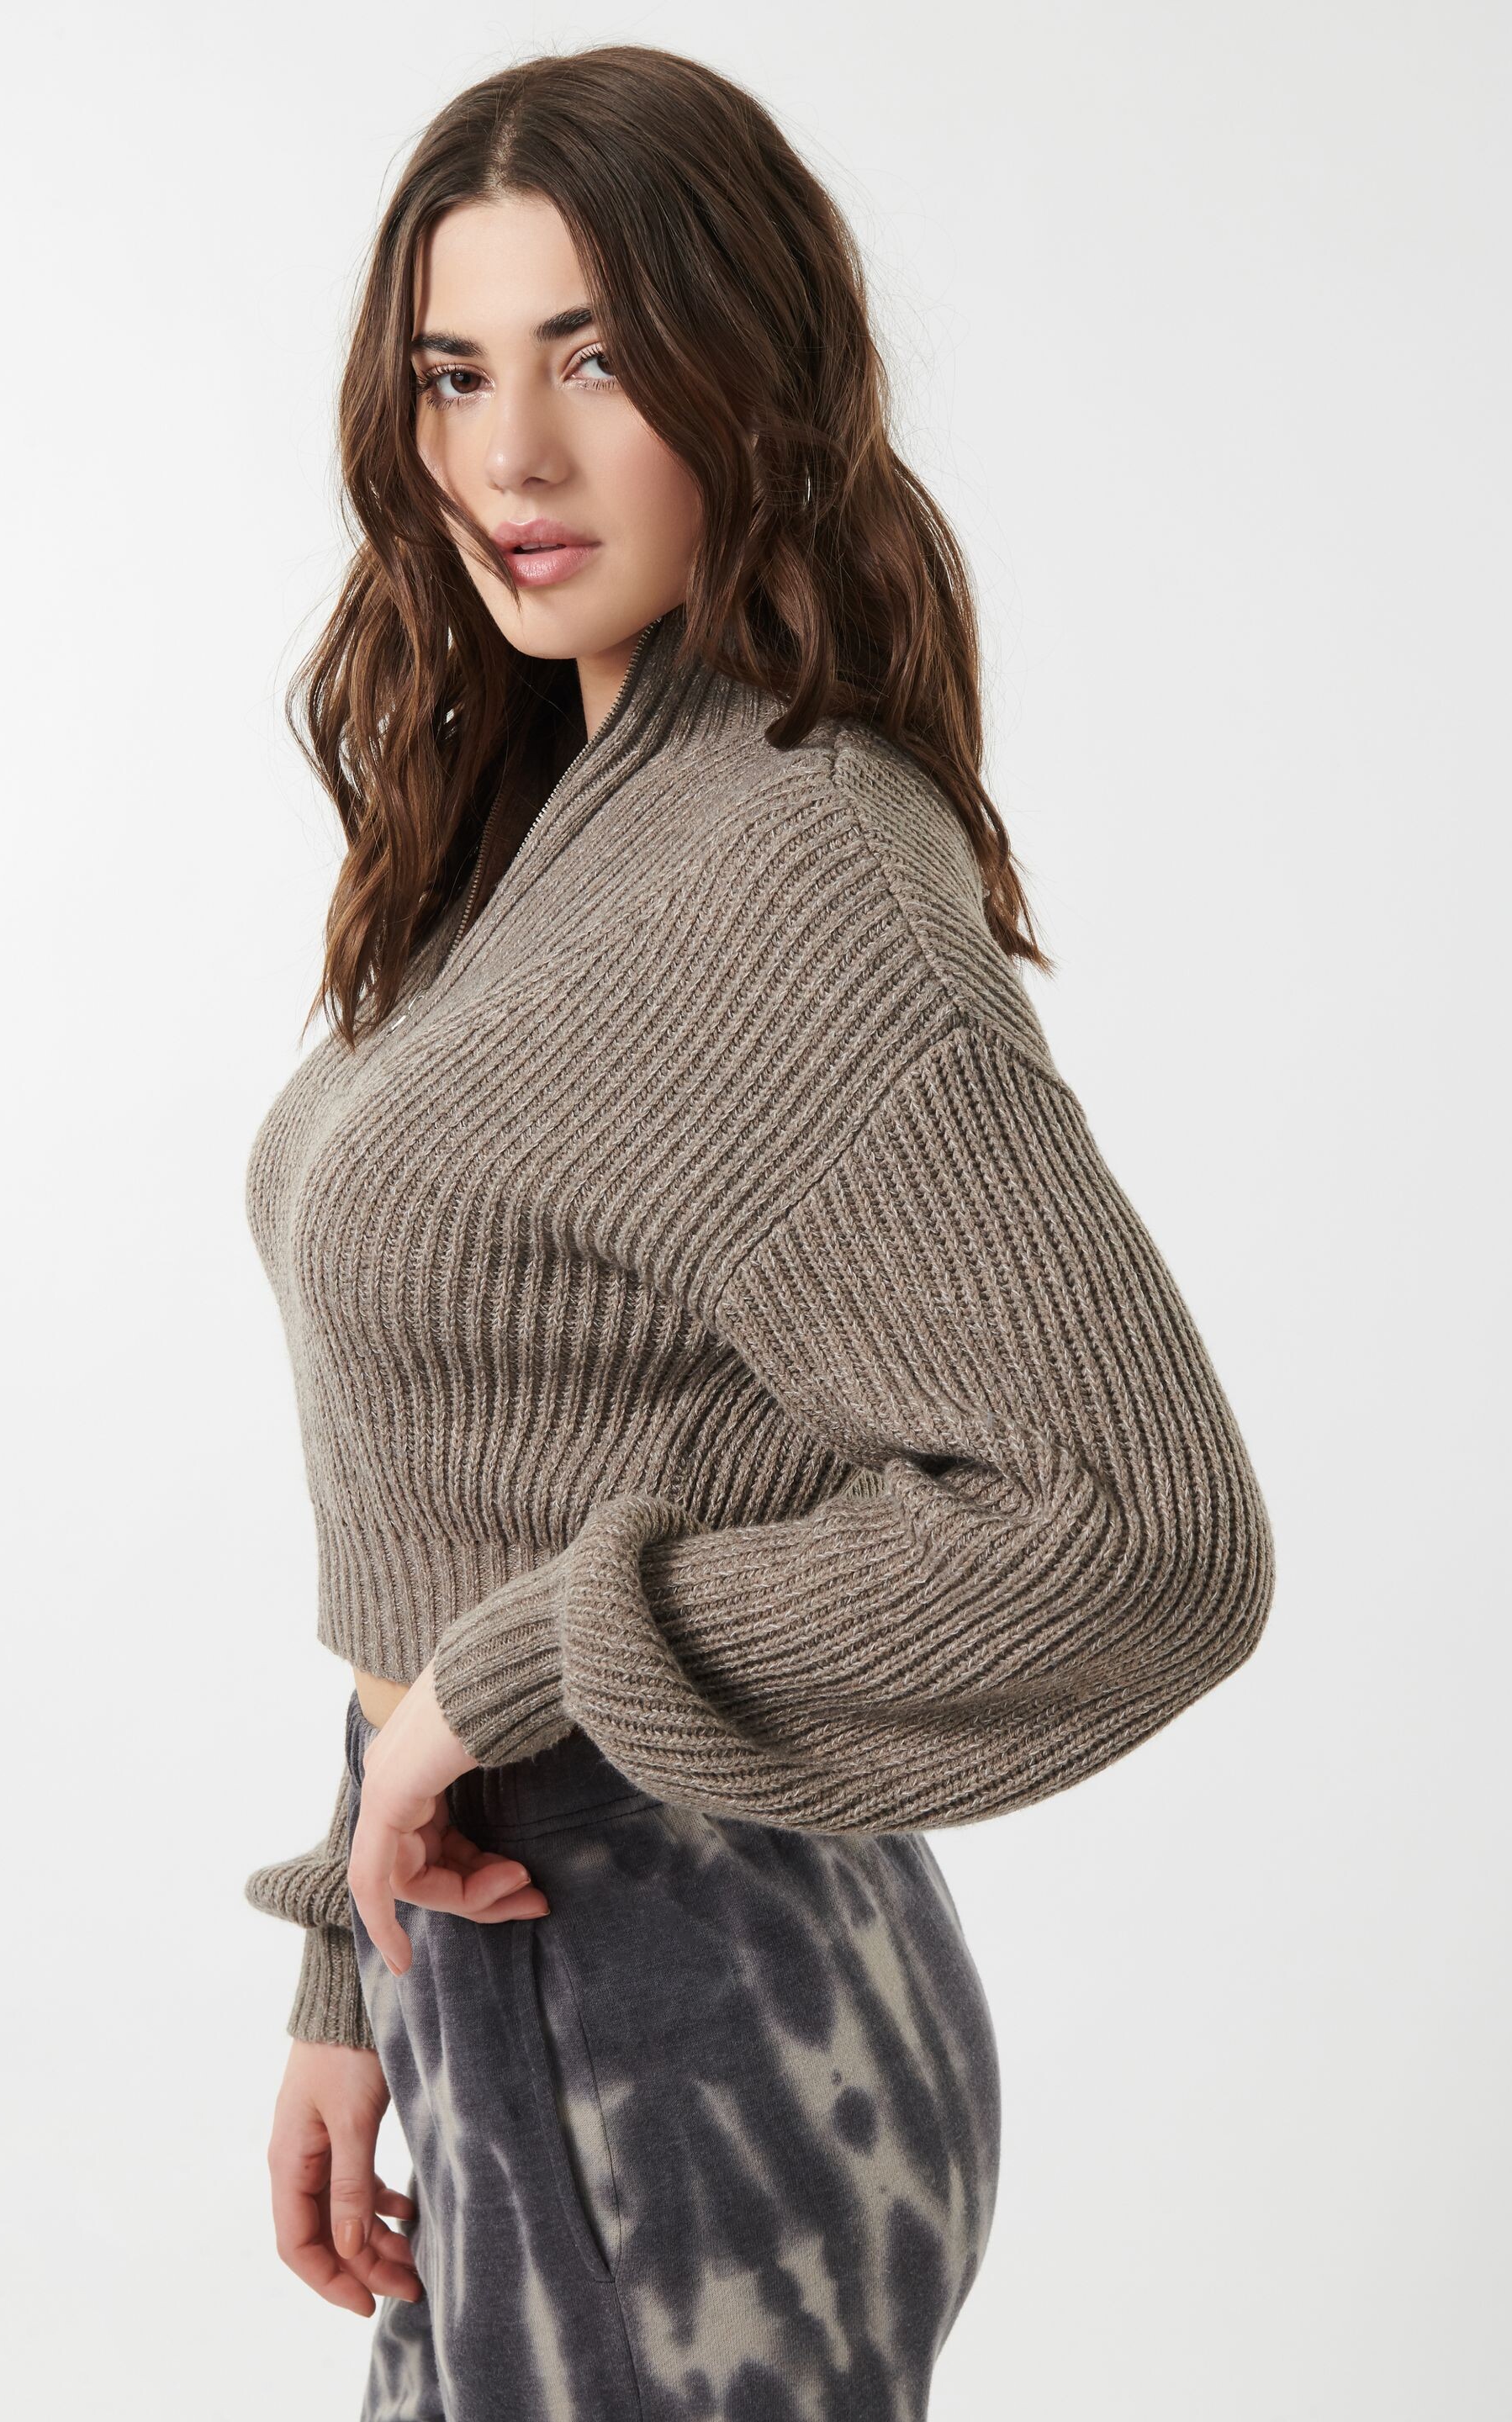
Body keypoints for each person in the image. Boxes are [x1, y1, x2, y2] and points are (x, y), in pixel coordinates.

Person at [241, 43, 1276, 2422]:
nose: (512, 456)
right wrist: (347, 1967)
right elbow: (480, 1475)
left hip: (676, 2037)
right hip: (522, 1983)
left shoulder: (789, 864)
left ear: (753, 374)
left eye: (597, 359)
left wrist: (507, 1682)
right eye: (454, 375)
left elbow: (1141, 1530)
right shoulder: (545, 824)